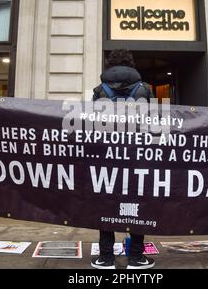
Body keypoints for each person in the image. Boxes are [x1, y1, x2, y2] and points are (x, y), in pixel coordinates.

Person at [91, 49, 155, 269]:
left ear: (110, 65)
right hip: (137, 158)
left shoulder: (100, 91)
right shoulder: (145, 90)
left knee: (105, 203)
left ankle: (106, 257)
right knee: (138, 205)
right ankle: (136, 257)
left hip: (107, 158)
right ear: (131, 63)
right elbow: (154, 125)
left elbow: (91, 126)